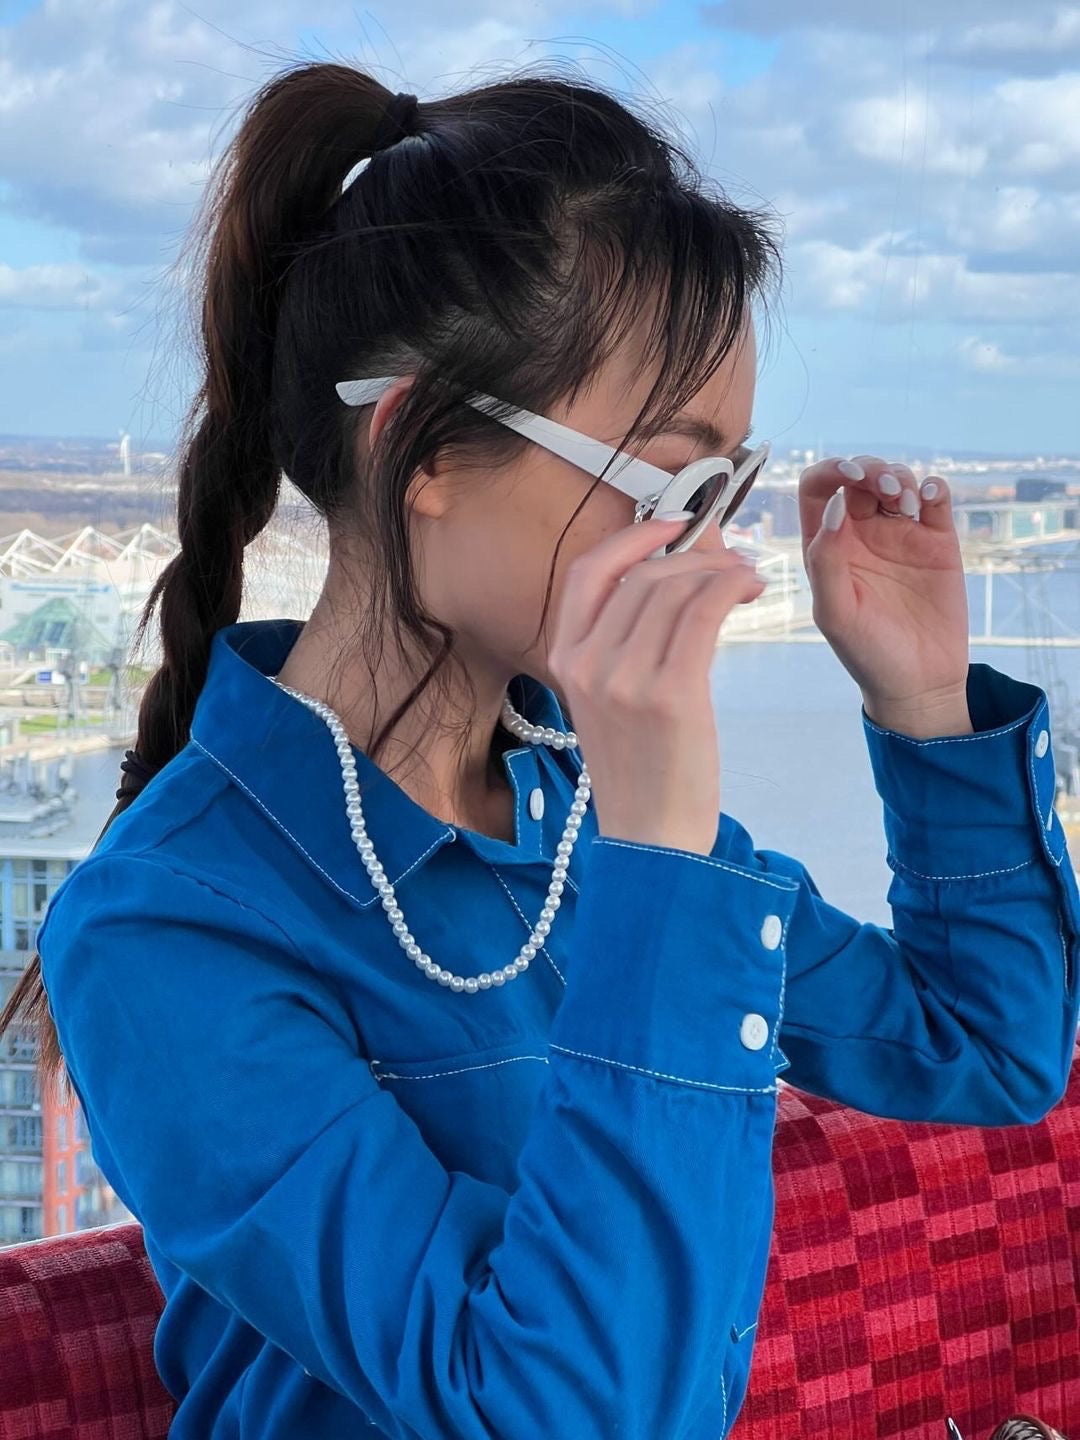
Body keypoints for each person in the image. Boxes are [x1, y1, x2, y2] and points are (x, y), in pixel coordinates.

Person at [4, 62, 1078, 1440]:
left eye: (728, 487)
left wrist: (927, 707)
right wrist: (657, 863)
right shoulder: (166, 934)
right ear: (426, 446)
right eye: (675, 483)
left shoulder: (571, 813)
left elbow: (982, 1048)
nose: (716, 554)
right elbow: (550, 1412)